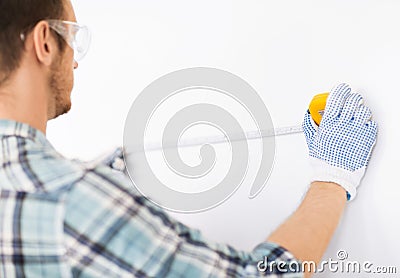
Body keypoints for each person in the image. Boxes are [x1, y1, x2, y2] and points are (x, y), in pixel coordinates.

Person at [0, 0, 377, 277]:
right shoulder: (68, 199)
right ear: (45, 41)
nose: (76, 62)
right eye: (73, 39)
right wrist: (332, 180)